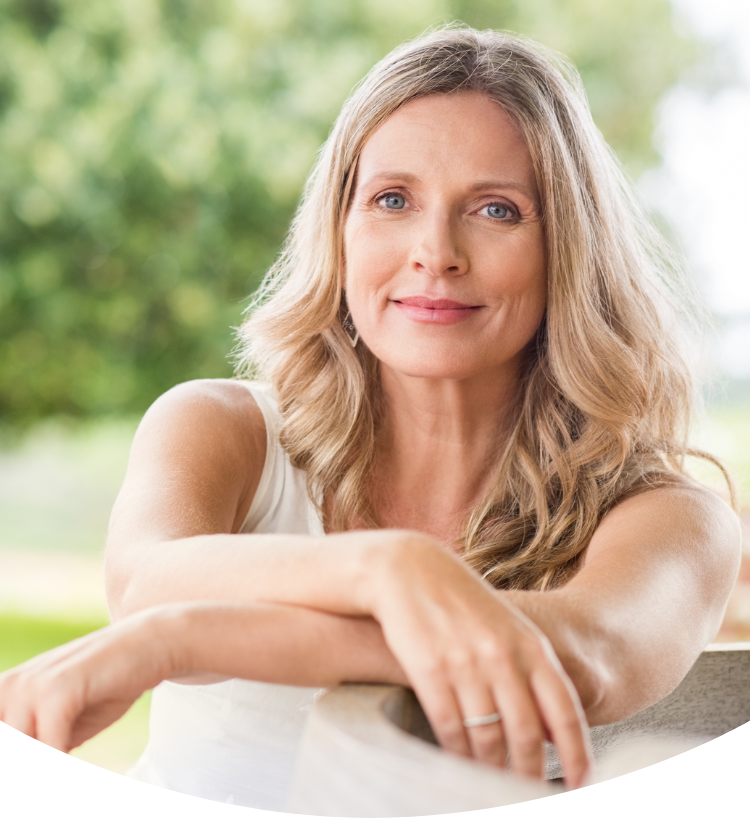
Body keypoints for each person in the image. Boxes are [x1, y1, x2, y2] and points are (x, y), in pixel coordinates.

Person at [0, 26, 740, 811]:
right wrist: (386, 570)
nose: (435, 251)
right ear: (339, 230)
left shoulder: (673, 516)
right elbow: (148, 583)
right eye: (392, 199)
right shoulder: (221, 428)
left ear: (569, 248)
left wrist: (183, 638)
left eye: (496, 209)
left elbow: (586, 656)